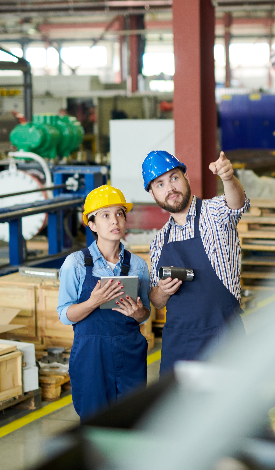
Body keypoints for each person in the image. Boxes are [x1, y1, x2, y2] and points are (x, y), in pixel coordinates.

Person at [143, 150, 248, 376]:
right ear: (153, 194)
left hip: (225, 337)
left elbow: (237, 203)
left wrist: (228, 178)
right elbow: (157, 301)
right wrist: (162, 290)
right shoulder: (159, 241)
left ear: (186, 178)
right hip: (179, 344)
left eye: (174, 178)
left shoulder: (215, 214)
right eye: (160, 184)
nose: (170, 188)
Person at [56, 184, 151, 422]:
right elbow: (65, 315)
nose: (115, 220)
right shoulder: (75, 264)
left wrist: (138, 312)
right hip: (91, 356)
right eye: (105, 215)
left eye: (120, 213)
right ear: (92, 225)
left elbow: (146, 314)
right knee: (94, 421)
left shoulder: (138, 266)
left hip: (129, 352)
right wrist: (93, 302)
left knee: (132, 418)